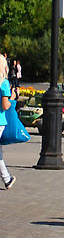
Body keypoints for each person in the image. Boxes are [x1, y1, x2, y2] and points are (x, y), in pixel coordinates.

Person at [0, 55, 16, 189]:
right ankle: (7, 179)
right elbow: (5, 106)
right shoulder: (3, 83)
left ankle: (7, 179)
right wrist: (12, 98)